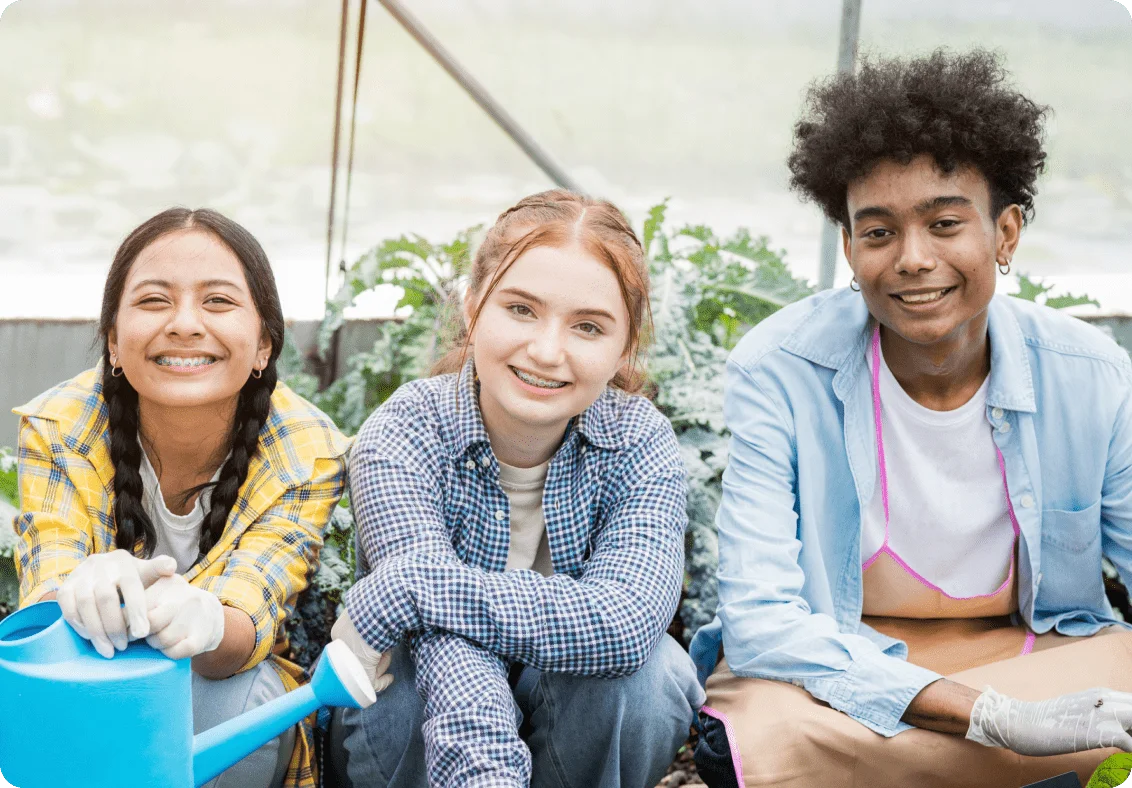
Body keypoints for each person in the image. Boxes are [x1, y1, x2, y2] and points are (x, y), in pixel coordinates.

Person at [689, 49, 1132, 787]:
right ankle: (1020, 765)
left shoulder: (1089, 374)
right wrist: (990, 718)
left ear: (1007, 234)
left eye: (945, 222)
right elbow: (764, 619)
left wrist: (1013, 704)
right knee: (758, 727)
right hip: (840, 670)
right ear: (850, 247)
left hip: (1032, 655)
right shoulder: (778, 368)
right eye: (879, 232)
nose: (913, 259)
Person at [327, 190, 704, 788]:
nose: (547, 351)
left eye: (587, 326)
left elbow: (628, 622)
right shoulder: (402, 433)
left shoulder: (639, 441)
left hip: (568, 718)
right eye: (521, 310)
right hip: (420, 726)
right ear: (473, 306)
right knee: (411, 689)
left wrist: (413, 585)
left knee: (651, 677)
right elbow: (449, 651)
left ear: (625, 345)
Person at [13, 208, 350, 788]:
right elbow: (44, 600)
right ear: (114, 343)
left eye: (218, 301)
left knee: (241, 691)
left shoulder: (307, 449)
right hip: (88, 678)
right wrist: (76, 591)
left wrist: (209, 623)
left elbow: (251, 616)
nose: (186, 324)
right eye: (153, 301)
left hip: (218, 697)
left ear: (265, 345)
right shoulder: (60, 425)